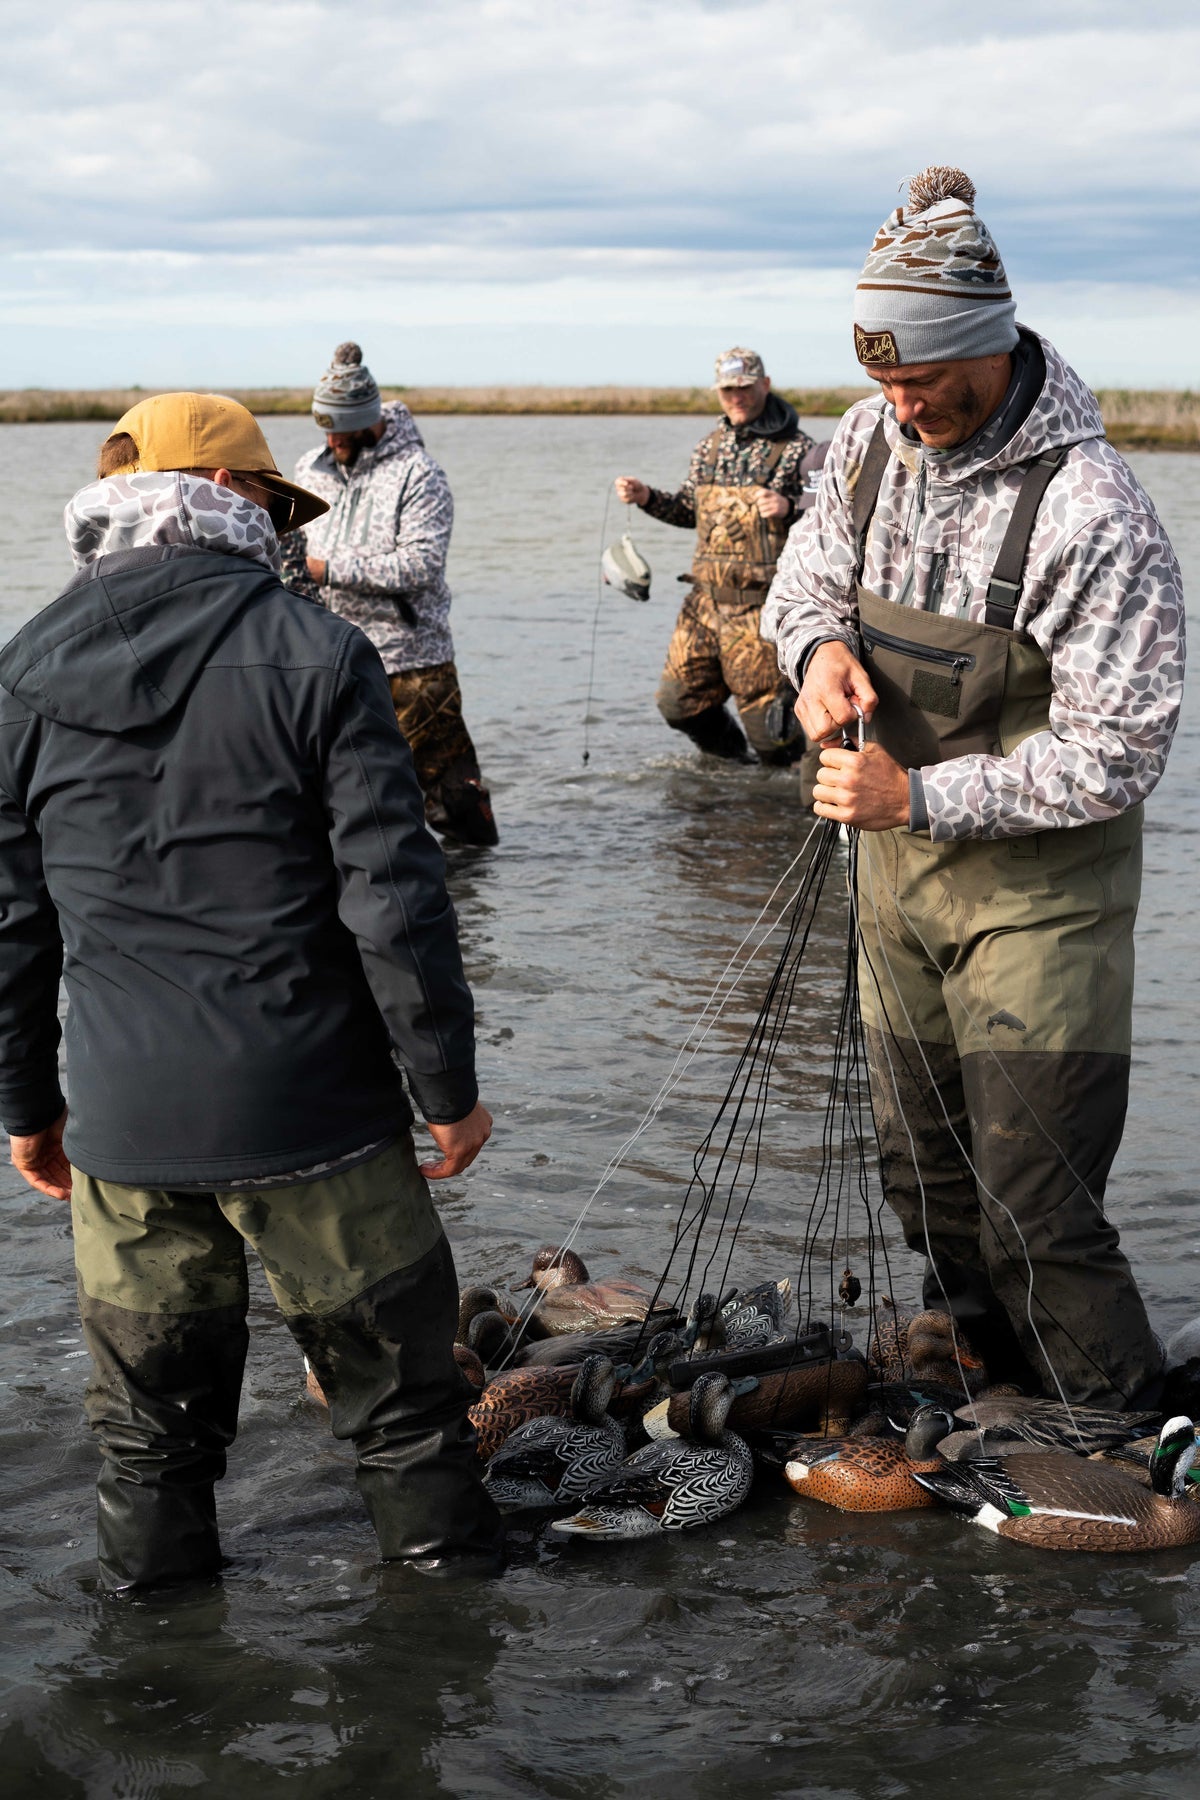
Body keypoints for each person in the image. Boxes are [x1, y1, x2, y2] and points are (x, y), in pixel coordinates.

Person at [0, 392, 503, 1590]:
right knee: (405, 1421)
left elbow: (13, 926)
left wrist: (25, 1106)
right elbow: (396, 897)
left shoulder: (22, 670)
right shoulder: (320, 651)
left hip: (127, 1129)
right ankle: (442, 1659)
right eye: (273, 505)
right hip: (318, 1116)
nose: (281, 529)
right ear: (225, 493)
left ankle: (153, 1676)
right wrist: (447, 1088)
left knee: (149, 1448)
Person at [763, 166, 1185, 1409]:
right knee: (926, 1182)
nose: (904, 406)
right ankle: (995, 1399)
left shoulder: (1096, 513)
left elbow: (1120, 751)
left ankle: (1134, 1449)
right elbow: (802, 587)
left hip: (1042, 905)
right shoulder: (863, 444)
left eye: (928, 379)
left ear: (995, 340)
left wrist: (920, 800)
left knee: (1034, 1203)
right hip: (896, 890)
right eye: (885, 380)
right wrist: (814, 655)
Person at [280, 342, 498, 847]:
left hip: (413, 662)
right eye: (325, 429)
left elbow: (421, 565)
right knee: (354, 795)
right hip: (334, 658)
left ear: (368, 420)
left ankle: (480, 880)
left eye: (340, 430)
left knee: (452, 799)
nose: (332, 440)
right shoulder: (309, 468)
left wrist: (326, 569)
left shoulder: (420, 474)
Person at [615, 348, 826, 763]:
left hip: (761, 611)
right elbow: (689, 511)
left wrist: (788, 508)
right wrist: (646, 498)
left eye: (744, 387)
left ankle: (778, 793)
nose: (736, 397)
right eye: (728, 390)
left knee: (775, 740)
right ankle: (733, 766)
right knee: (677, 704)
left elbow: (830, 523)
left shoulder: (799, 449)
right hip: (703, 606)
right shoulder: (708, 448)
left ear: (765, 385)